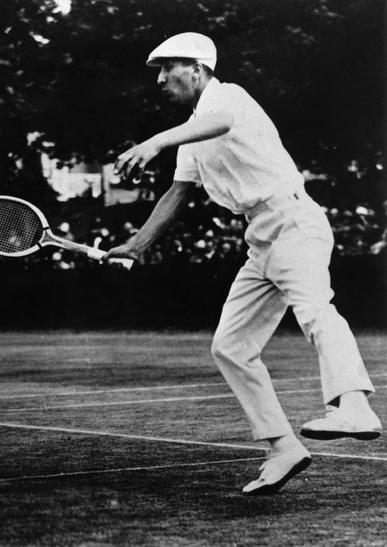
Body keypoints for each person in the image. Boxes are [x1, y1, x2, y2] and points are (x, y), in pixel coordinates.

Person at [104, 32, 381, 495]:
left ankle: (353, 404)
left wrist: (152, 142)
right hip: (261, 238)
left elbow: (220, 121)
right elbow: (178, 193)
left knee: (314, 309)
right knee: (229, 346)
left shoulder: (229, 97)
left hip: (293, 220)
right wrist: (135, 244)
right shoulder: (191, 133)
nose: (159, 79)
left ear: (197, 68)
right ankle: (282, 447)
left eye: (165, 67)